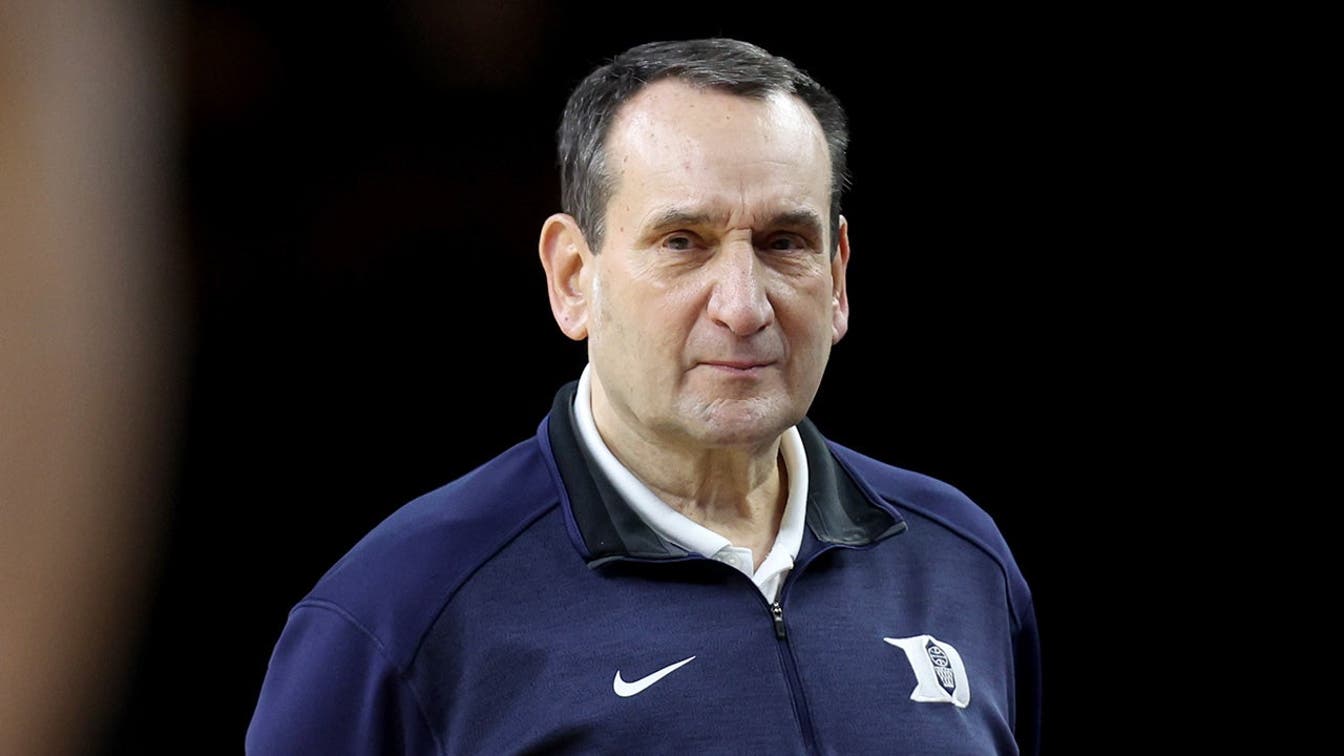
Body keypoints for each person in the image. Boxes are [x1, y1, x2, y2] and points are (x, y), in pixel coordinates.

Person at [247, 37, 1040, 754]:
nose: (743, 305)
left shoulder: (962, 563)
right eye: (682, 242)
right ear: (572, 277)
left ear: (836, 277)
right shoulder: (399, 614)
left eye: (783, 243)